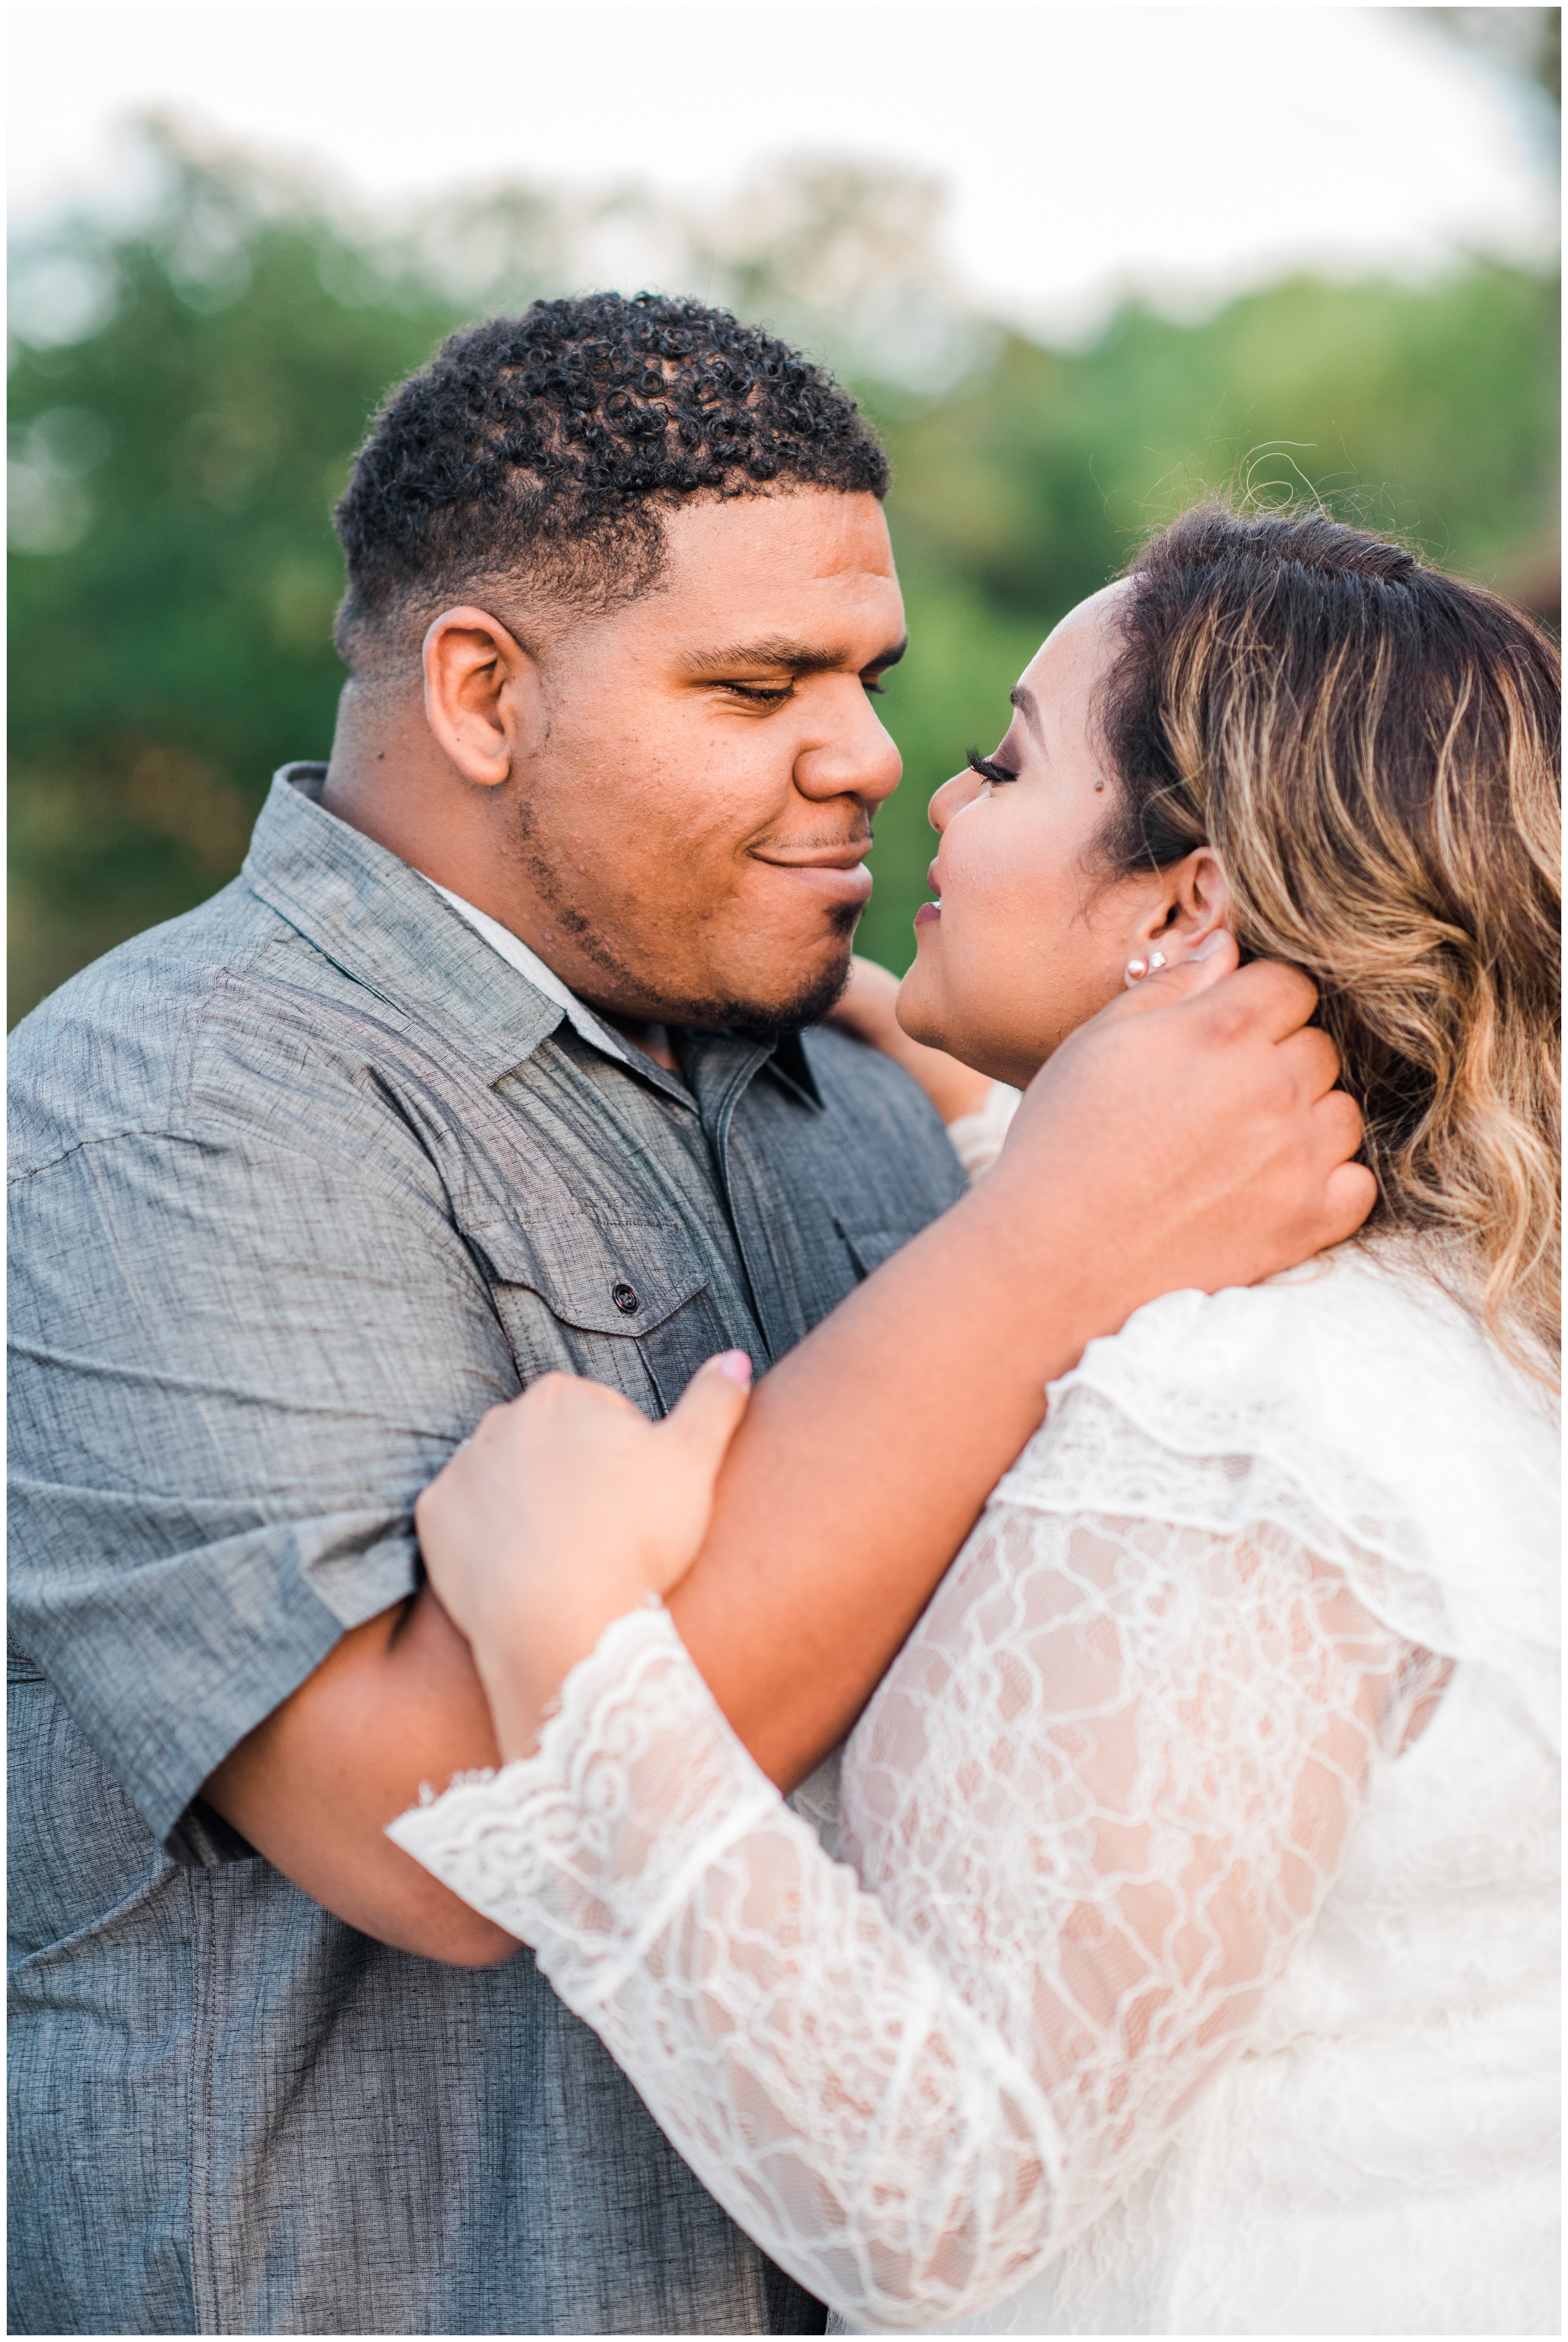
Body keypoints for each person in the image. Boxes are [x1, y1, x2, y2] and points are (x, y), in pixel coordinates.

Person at [7, 302, 1363, 2337]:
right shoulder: (162, 1113)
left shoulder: (841, 1092)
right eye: (759, 685)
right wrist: (1058, 1238)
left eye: (875, 682)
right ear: (480, 692)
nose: (869, 757)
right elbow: (445, 1819)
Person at [394, 508, 1560, 2337]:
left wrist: (569, 1640)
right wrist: (962, 1061)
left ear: (1187, 907)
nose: (920, 792)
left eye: (1005, 760)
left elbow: (942, 2198)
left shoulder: (1232, 1436)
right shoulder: (1456, 1320)